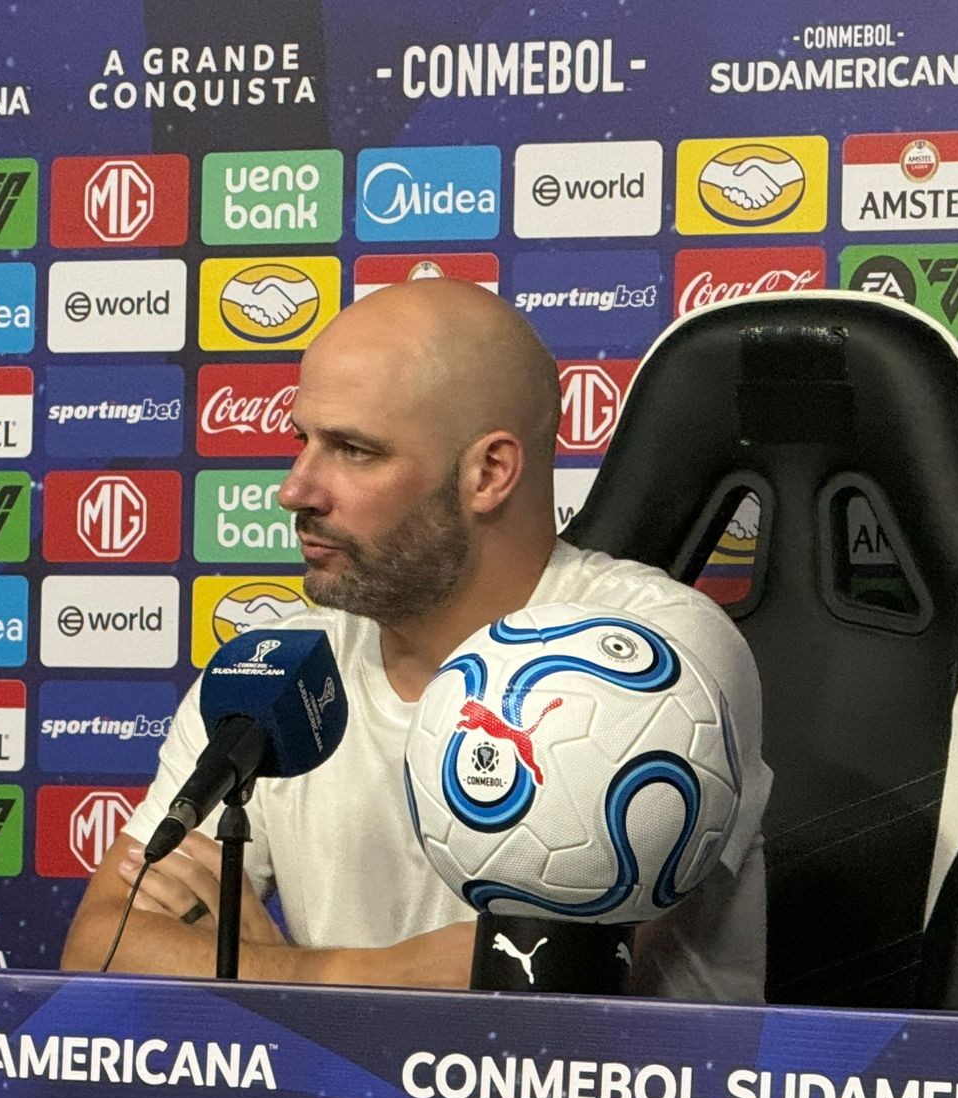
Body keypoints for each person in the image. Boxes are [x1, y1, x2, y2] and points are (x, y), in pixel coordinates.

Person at [61, 278, 772, 999]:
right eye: (303, 441)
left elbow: (542, 981)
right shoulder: (274, 672)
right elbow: (101, 946)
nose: (295, 490)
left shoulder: (654, 654)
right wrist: (328, 979)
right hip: (344, 1078)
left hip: (602, 1079)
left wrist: (265, 977)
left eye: (353, 450)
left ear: (488, 473)